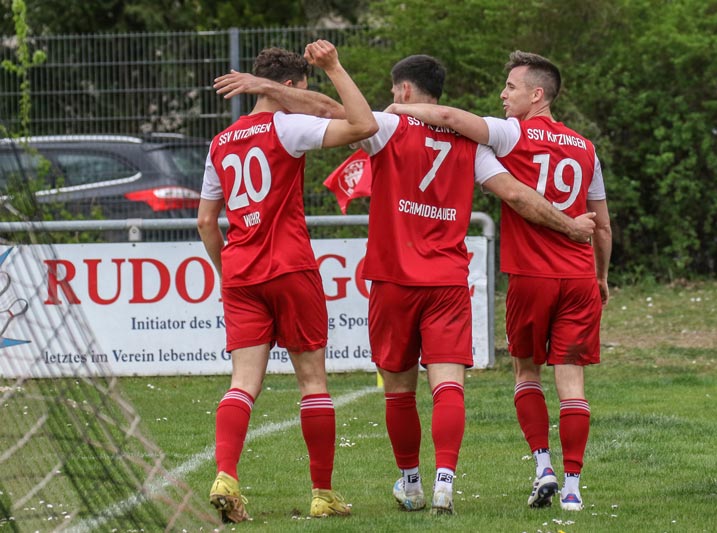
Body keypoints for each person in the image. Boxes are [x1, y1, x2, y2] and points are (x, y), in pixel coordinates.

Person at [214, 54, 595, 516]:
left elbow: (330, 109)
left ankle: (411, 483)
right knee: (448, 385)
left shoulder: (388, 126)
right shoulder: (472, 145)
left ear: (405, 91)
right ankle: (445, 483)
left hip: (393, 279)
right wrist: (571, 226)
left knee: (398, 389)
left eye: (395, 91)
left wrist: (270, 86)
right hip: (447, 280)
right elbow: (516, 194)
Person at [387, 51, 613, 512]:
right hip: (579, 277)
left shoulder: (512, 133)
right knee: (573, 383)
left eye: (511, 87)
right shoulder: (586, 148)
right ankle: (573, 489)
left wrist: (398, 108)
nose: (503, 95)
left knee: (526, 372)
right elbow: (603, 226)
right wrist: (602, 275)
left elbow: (450, 118)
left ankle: (543, 466)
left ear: (537, 94)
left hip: (531, 276)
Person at [197, 40, 377, 523]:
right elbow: (362, 124)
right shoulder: (288, 126)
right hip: (290, 266)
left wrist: (228, 272)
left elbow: (206, 222)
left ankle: (226, 476)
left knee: (242, 383)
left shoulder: (220, 142)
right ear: (291, 86)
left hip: (241, 272)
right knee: (313, 382)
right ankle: (322, 493)